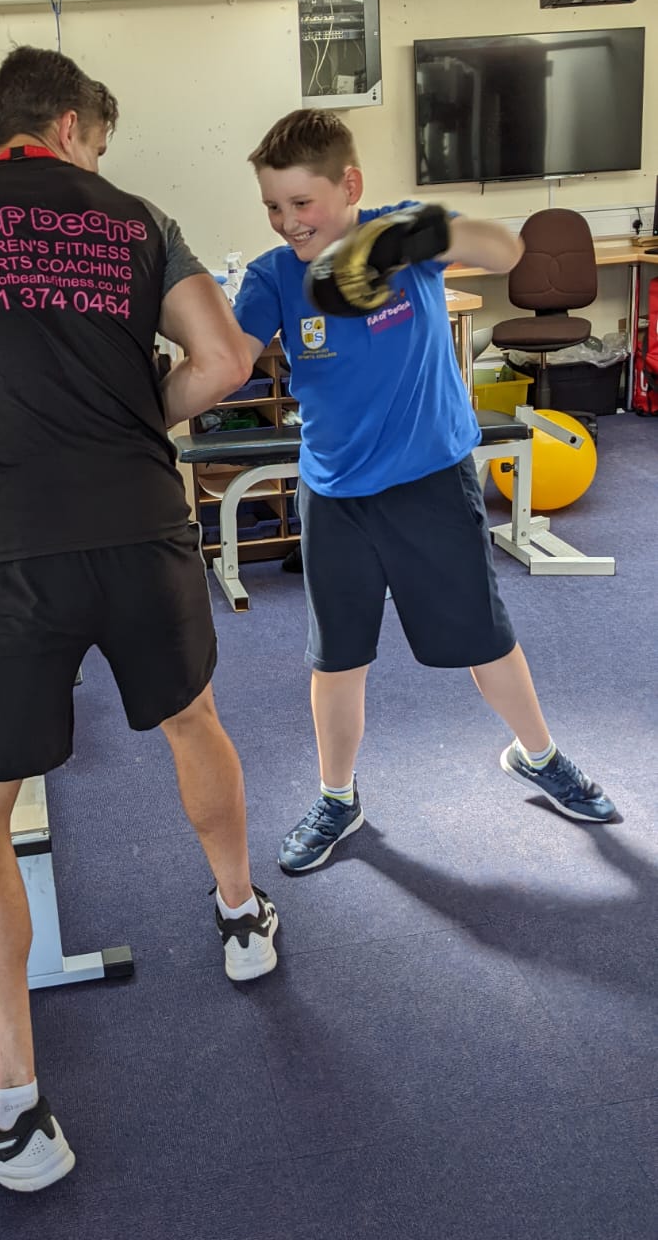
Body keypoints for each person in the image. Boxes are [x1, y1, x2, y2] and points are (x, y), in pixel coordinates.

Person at [0, 47, 279, 1193]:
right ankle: (244, 922)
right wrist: (122, 411)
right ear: (67, 123)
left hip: (16, 544)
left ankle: (13, 1118)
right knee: (193, 719)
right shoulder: (138, 218)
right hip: (145, 527)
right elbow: (227, 358)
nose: (100, 162)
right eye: (97, 140)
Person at [233, 108, 617, 877]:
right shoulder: (276, 275)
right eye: (273, 207)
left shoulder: (399, 242)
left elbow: (505, 249)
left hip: (431, 484)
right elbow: (230, 357)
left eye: (301, 203)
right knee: (336, 659)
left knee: (483, 639)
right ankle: (337, 797)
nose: (286, 222)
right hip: (334, 494)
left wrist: (419, 234)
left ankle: (536, 755)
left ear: (350, 185)